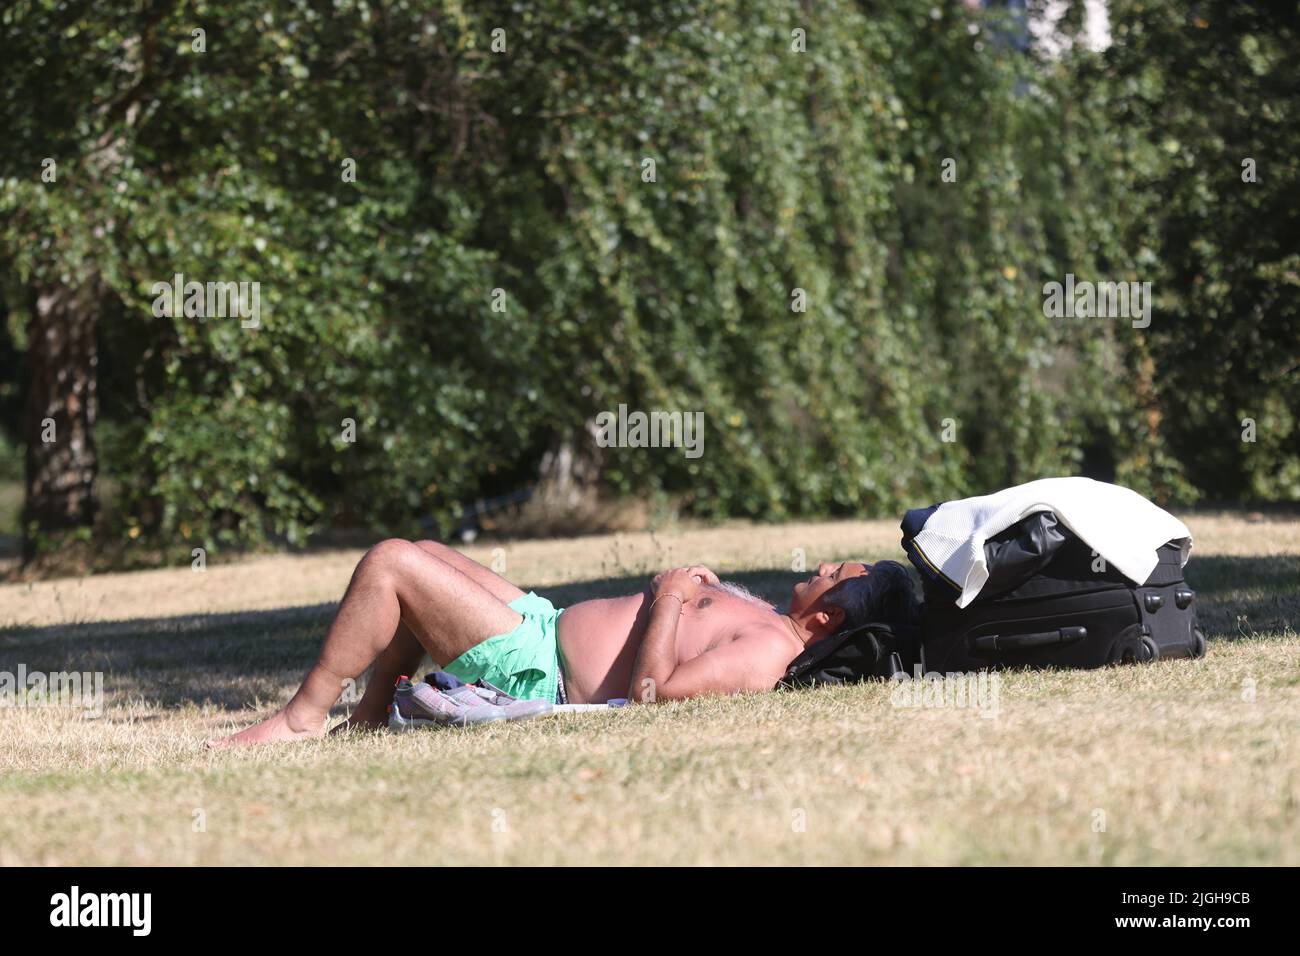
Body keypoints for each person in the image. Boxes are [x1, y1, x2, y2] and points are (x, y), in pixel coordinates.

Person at [211, 539, 884, 747]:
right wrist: (691, 589)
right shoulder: (769, 618)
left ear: (826, 621)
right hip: (540, 623)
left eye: (834, 576)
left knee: (390, 563)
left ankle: (301, 720)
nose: (822, 569)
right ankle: (364, 720)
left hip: (539, 670)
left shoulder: (769, 652)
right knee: (423, 552)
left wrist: (675, 597)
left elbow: (653, 697)